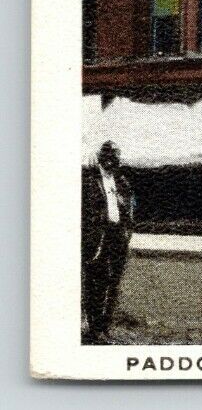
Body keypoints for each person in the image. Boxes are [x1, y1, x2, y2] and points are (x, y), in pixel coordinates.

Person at [82, 140, 134, 343]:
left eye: (115, 156)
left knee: (114, 281)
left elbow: (129, 208)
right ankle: (92, 326)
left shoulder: (121, 183)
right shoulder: (89, 182)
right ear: (101, 158)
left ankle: (104, 326)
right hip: (98, 237)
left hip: (117, 236)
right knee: (96, 280)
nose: (111, 160)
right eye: (108, 156)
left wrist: (128, 230)